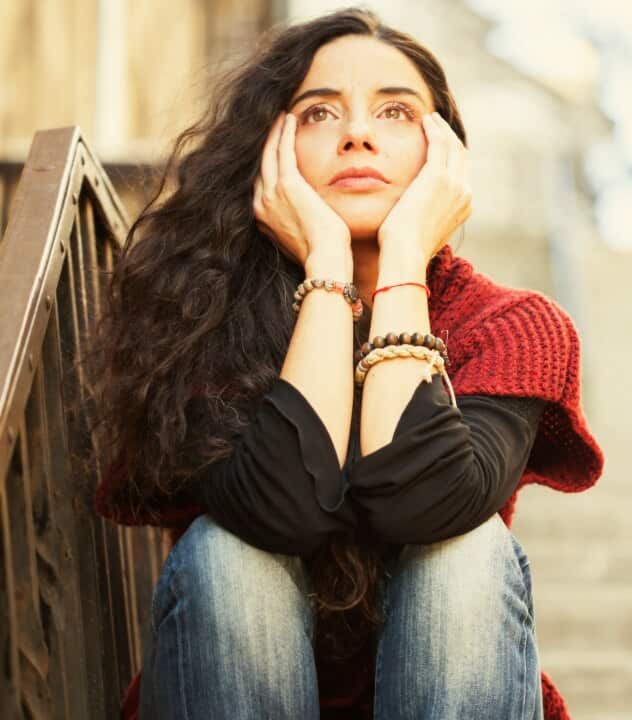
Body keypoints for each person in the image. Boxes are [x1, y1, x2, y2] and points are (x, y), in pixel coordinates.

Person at [84, 8, 604, 720]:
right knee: (231, 558)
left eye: (395, 111)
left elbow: (425, 505)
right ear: (269, 148)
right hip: (236, 680)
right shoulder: (198, 315)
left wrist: (401, 264)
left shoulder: (513, 327)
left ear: (444, 154)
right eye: (320, 112)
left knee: (467, 555)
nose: (357, 133)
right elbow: (282, 514)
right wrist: (328, 267)